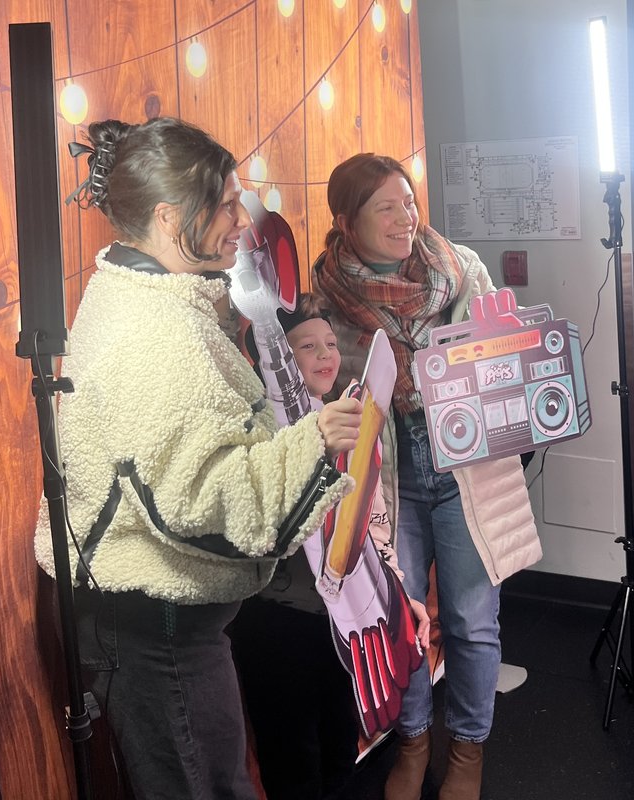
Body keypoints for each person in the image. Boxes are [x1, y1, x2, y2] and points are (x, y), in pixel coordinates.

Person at [33, 116, 363, 800]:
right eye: (223, 204)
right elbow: (199, 498)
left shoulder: (154, 299)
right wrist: (318, 439)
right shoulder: (152, 334)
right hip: (155, 636)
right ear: (165, 215)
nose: (241, 220)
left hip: (168, 629)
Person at [310, 153, 541, 800]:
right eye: (385, 206)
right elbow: (319, 393)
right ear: (346, 221)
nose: (404, 217)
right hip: (388, 480)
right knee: (402, 621)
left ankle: (467, 751)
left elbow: (502, 355)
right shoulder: (323, 298)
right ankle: (412, 744)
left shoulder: (459, 268)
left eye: (408, 203)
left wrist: (500, 347)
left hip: (464, 469)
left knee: (472, 617)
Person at [230, 295, 430, 800]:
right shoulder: (261, 436)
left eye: (329, 344)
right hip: (276, 624)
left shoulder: (355, 421)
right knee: (293, 763)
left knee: (341, 751)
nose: (325, 355)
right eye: (306, 346)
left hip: (341, 624)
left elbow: (374, 524)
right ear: (274, 357)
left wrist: (400, 596)